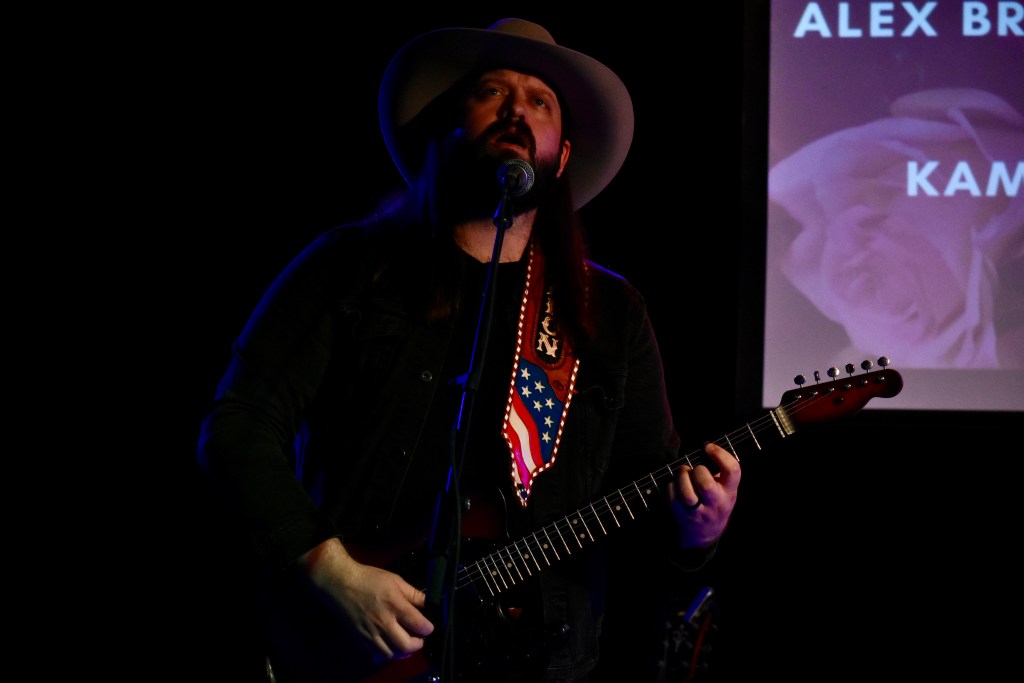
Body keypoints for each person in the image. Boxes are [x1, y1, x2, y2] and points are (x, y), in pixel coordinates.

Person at [197, 17, 741, 683]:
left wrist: (698, 529)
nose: (516, 110)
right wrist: (328, 567)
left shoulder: (611, 315)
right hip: (346, 649)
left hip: (538, 663)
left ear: (561, 155)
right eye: (492, 91)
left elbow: (647, 501)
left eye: (540, 101)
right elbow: (239, 423)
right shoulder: (352, 268)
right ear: (449, 127)